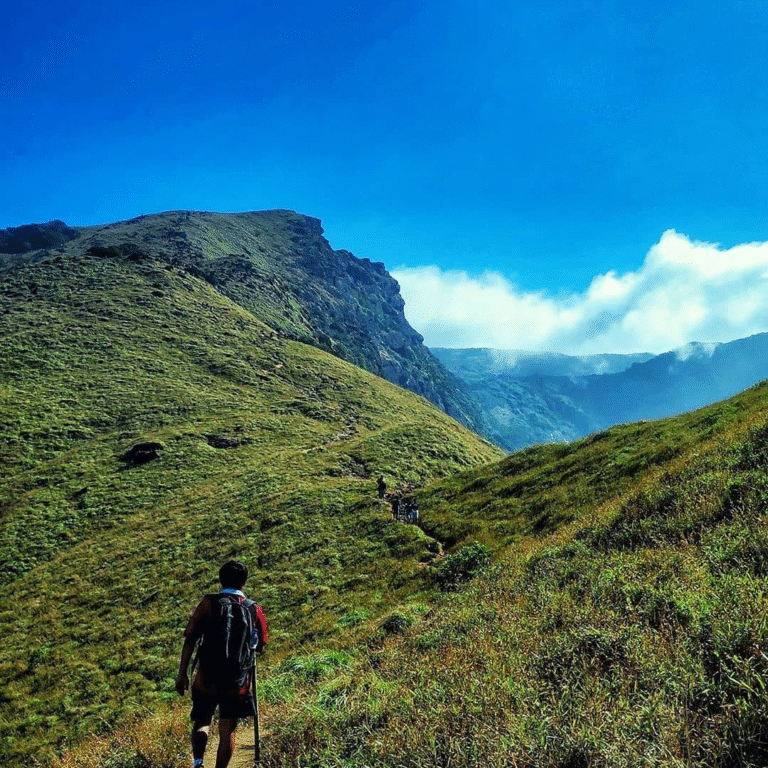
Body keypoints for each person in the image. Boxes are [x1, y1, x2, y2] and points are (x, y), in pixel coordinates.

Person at [176, 560, 268, 768]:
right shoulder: (253, 608)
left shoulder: (208, 603)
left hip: (206, 676)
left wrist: (182, 674)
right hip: (237, 680)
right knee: (228, 729)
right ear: (244, 582)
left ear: (220, 579)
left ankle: (198, 762)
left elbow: (190, 638)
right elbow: (261, 644)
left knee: (202, 721)